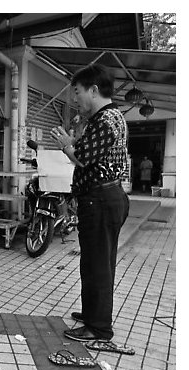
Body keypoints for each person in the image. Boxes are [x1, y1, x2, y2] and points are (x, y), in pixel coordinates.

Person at [51, 64, 129, 342]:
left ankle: (98, 328)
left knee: (97, 264)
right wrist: (73, 143)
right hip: (102, 198)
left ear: (94, 90)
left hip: (101, 198)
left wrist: (65, 144)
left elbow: (82, 157)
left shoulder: (106, 120)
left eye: (77, 92)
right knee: (95, 262)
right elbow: (87, 153)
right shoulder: (108, 118)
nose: (75, 99)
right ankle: (92, 313)